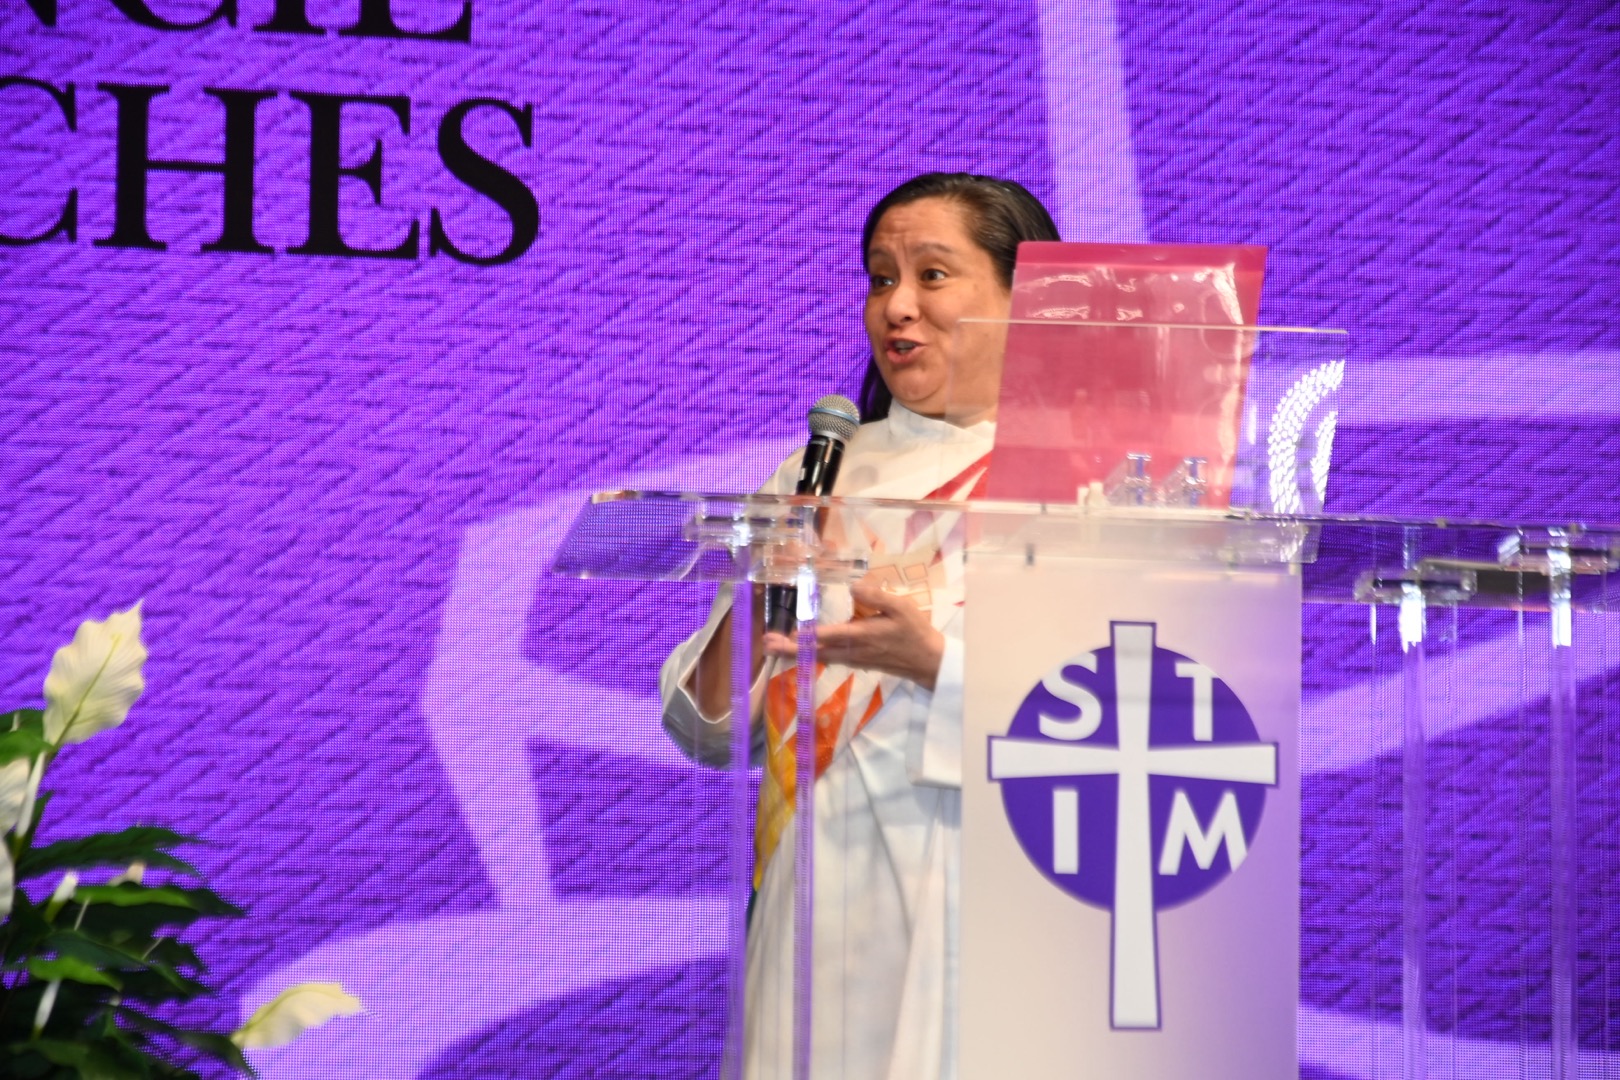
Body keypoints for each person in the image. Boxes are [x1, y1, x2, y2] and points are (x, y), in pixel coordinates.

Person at [659, 173, 1060, 1079]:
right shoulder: (817, 474)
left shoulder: (1089, 484)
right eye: (881, 279)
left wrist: (937, 666)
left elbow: (1132, 719)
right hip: (817, 891)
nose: (897, 307)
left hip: (996, 880)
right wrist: (762, 585)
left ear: (1026, 296)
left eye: (932, 275)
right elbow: (707, 731)